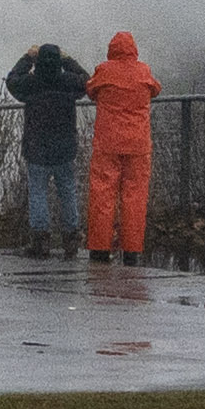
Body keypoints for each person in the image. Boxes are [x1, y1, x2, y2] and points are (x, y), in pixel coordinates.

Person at [1, 39, 87, 258]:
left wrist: (27, 58)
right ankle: (71, 240)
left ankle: (41, 242)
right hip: (64, 148)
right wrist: (68, 60)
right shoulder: (68, 82)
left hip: (37, 147)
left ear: (38, 62)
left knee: (38, 193)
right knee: (67, 192)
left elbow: (12, 81)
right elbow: (87, 80)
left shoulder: (31, 83)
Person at [85, 29, 162, 265]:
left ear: (112, 50)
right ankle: (132, 251)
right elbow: (155, 89)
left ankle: (100, 248)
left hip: (108, 142)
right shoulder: (143, 71)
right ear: (133, 50)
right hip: (138, 144)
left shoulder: (104, 70)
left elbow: (91, 90)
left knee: (102, 194)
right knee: (135, 197)